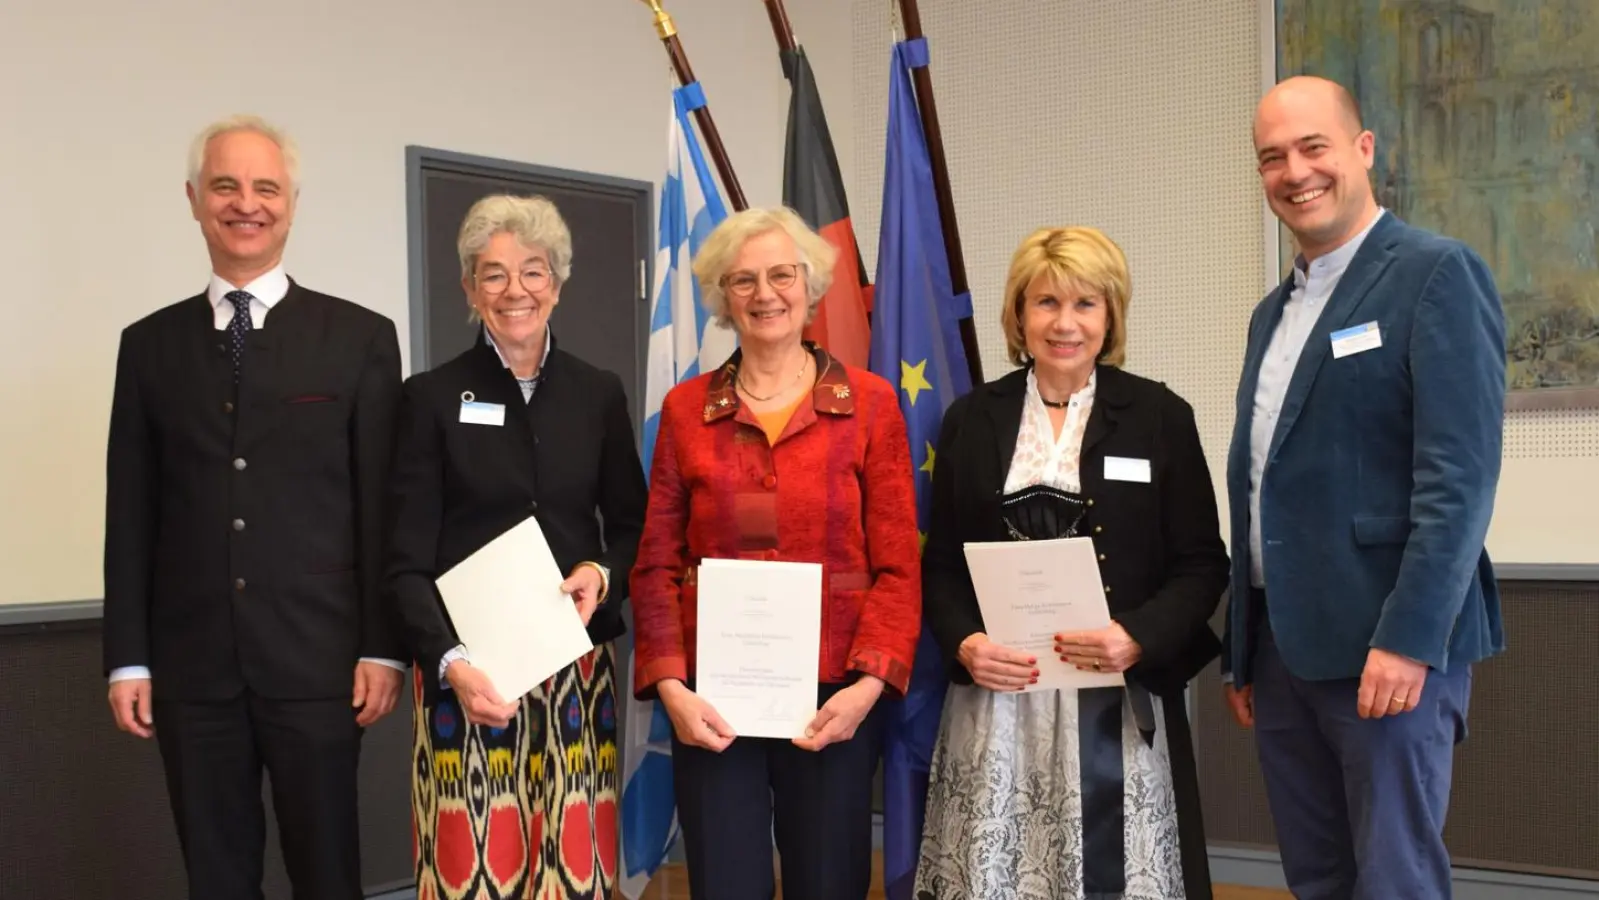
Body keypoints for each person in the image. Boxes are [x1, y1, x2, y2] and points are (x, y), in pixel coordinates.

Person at [102, 115, 405, 899]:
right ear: (195, 200)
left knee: (327, 872)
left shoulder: (361, 338)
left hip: (320, 666)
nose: (246, 203)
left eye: (265, 187)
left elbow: (380, 506)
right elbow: (130, 512)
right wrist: (128, 657)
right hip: (191, 670)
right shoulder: (148, 346)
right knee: (217, 875)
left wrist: (382, 647)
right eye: (226, 186)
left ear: (291, 203)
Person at [1222, 75, 1507, 900]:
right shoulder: (1269, 313)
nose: (1293, 171)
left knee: (1394, 883)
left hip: (1388, 648)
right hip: (1281, 653)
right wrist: (1244, 645)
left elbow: (1458, 480)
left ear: (1362, 149)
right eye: (1271, 157)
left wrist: (1410, 638)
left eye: (1312, 147)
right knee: (1317, 879)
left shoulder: (1436, 274)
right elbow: (1259, 481)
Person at [914, 225, 1229, 900]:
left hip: (1114, 700)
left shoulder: (1158, 417)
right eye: (1045, 302)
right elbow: (939, 565)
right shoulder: (971, 419)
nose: (1064, 323)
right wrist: (965, 644)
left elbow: (1203, 563)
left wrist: (1135, 635)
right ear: (1018, 314)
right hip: (998, 703)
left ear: (1110, 313)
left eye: (1085, 304)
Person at [629, 206, 921, 900]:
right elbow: (655, 564)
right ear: (722, 297)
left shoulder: (872, 405)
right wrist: (671, 687)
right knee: (726, 885)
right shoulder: (684, 410)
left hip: (834, 697)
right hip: (713, 700)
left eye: (781, 275)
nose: (765, 294)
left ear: (810, 284)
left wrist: (866, 689)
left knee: (828, 883)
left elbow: (898, 565)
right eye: (744, 280)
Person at [383, 193, 647, 900]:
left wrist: (600, 569)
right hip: (465, 673)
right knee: (471, 868)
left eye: (532, 271)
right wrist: (452, 663)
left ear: (556, 284)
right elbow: (403, 557)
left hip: (573, 669)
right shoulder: (430, 398)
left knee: (574, 868)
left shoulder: (597, 393)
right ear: (469, 289)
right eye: (492, 274)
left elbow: (630, 525)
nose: (514, 291)